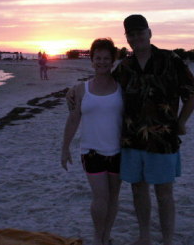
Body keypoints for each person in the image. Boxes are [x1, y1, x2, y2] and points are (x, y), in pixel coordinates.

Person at [68, 15, 194, 245]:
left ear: (150, 33)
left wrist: (181, 123)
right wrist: (74, 90)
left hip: (163, 140)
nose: (136, 37)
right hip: (131, 142)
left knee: (164, 193)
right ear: (127, 39)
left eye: (140, 32)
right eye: (131, 34)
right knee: (139, 192)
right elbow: (103, 82)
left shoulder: (171, 60)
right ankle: (144, 237)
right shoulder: (126, 67)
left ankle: (168, 240)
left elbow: (193, 93)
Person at [61, 38, 123, 245]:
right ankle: (99, 237)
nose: (102, 62)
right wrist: (65, 148)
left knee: (113, 198)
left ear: (113, 60)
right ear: (92, 60)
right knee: (100, 197)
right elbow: (73, 119)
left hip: (118, 152)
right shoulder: (81, 89)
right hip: (91, 152)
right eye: (98, 58)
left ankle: (107, 235)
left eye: (107, 58)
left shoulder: (122, 88)